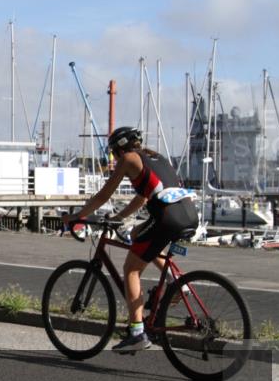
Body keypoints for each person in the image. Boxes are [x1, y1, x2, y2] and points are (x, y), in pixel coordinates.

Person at [62, 127, 198, 353]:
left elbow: (104, 194)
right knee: (136, 235)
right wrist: (118, 218)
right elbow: (144, 197)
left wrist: (78, 216)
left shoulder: (128, 159)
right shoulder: (155, 157)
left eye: (114, 152)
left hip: (167, 218)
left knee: (131, 269)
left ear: (119, 147)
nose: (114, 157)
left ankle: (136, 332)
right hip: (188, 215)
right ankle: (178, 284)